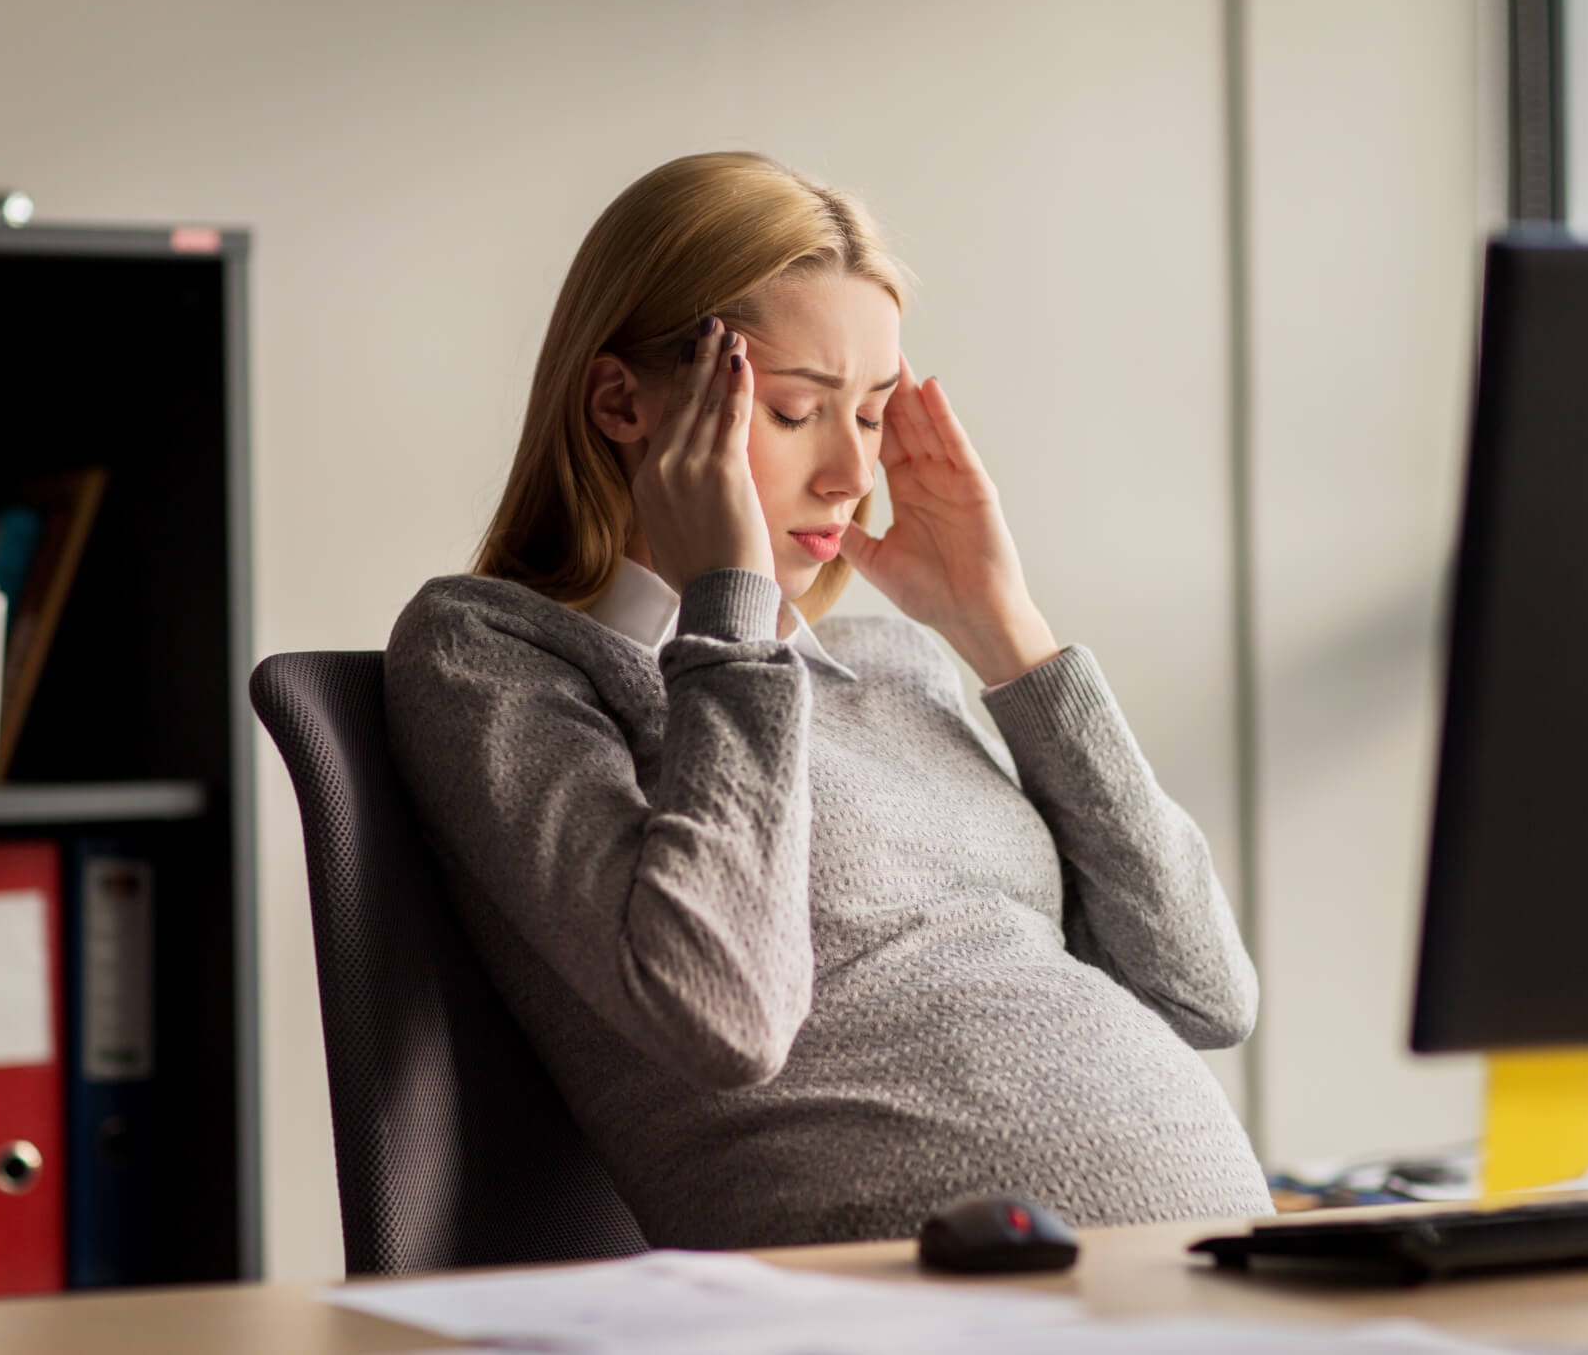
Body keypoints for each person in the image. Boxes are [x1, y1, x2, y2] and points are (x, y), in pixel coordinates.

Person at [383, 151, 1272, 1248]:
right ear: (621, 402)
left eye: (870, 416)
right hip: (925, 1305)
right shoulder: (494, 653)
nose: (852, 475)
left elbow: (1201, 992)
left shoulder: (894, 664)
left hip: (1203, 1278)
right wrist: (731, 617)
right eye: (799, 411)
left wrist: (1006, 636)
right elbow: (721, 1016)